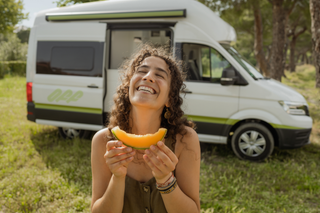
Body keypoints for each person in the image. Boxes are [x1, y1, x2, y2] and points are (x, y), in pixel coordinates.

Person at [91, 45, 201, 213]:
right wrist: (118, 177)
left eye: (159, 75)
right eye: (142, 71)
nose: (148, 77)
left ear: (169, 99)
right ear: (128, 86)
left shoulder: (185, 140)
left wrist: (166, 180)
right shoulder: (103, 141)